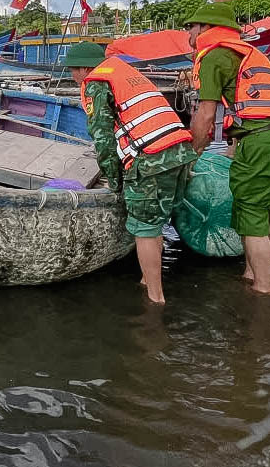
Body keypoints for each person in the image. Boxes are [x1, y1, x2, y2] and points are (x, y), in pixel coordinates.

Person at [186, 2, 270, 296]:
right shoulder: (248, 53)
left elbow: (206, 114)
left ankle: (263, 288)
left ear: (206, 28)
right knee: (252, 206)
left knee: (252, 213)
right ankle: (249, 271)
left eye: (191, 27)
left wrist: (192, 154)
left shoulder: (215, 56)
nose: (188, 33)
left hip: (259, 142)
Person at [63, 41, 197, 305]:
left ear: (82, 68)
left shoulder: (96, 82)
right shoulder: (126, 73)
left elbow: (102, 137)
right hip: (181, 151)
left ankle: (155, 299)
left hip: (152, 158)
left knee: (144, 228)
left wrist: (114, 181)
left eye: (72, 71)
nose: (72, 76)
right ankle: (148, 279)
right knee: (156, 220)